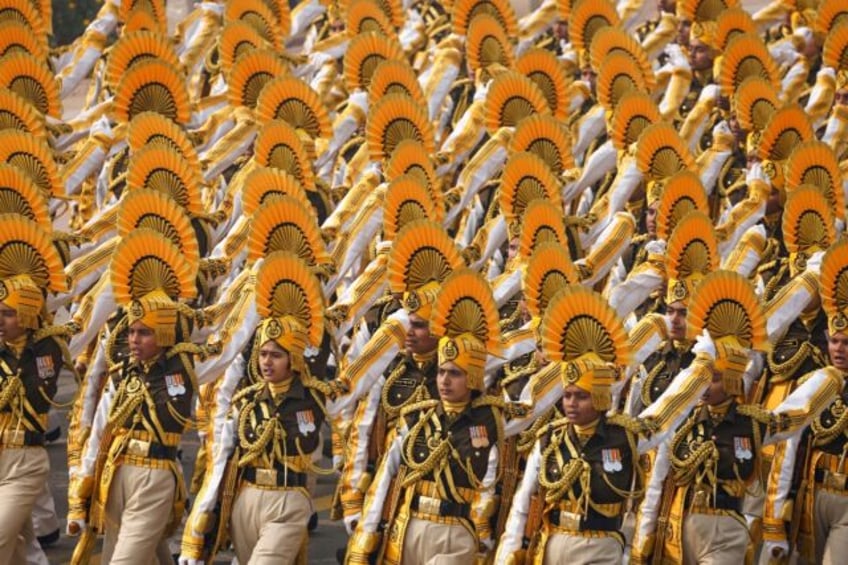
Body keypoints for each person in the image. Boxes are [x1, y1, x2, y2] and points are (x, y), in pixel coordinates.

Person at [180, 252, 347, 565]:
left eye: (276, 355)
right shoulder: (246, 402)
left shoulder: (315, 397)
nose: (267, 362)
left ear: (294, 360)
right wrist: (199, 523)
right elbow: (222, 463)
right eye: (263, 354)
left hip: (289, 501)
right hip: (245, 500)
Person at [346, 269, 510, 564]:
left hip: (456, 528)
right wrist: (356, 505)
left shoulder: (486, 417)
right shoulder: (399, 383)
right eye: (442, 374)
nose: (444, 381)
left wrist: (483, 526)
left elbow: (489, 473)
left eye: (419, 326)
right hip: (405, 515)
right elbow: (371, 442)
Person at [67, 229, 200, 564]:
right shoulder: (122, 374)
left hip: (155, 477)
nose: (133, 339)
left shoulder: (185, 367)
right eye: (130, 332)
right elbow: (100, 431)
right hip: (116, 473)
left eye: (144, 332)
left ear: (165, 333)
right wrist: (80, 491)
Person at [495, 284, 642, 565]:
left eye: (581, 397)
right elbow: (523, 503)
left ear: (599, 398)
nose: (571, 404)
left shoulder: (624, 437)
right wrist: (508, 554)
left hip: (601, 549)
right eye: (567, 396)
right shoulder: (549, 438)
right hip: (553, 544)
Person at [0, 218, 72, 565]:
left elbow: (32, 388)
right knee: (22, 549)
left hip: (26, 461)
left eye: (9, 314)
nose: (0, 320)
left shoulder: (45, 349)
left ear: (28, 314)